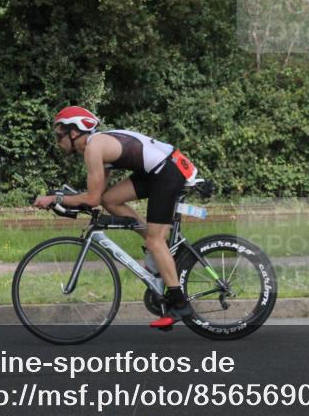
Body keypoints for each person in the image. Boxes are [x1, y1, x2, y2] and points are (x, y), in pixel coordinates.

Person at [32, 106, 199, 329]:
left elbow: (91, 198)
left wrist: (56, 198)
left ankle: (179, 303)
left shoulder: (94, 147)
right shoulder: (97, 148)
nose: (57, 140)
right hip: (157, 170)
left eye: (59, 134)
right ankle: (159, 248)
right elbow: (99, 196)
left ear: (74, 132)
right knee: (110, 200)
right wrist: (67, 200)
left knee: (154, 240)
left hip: (168, 171)